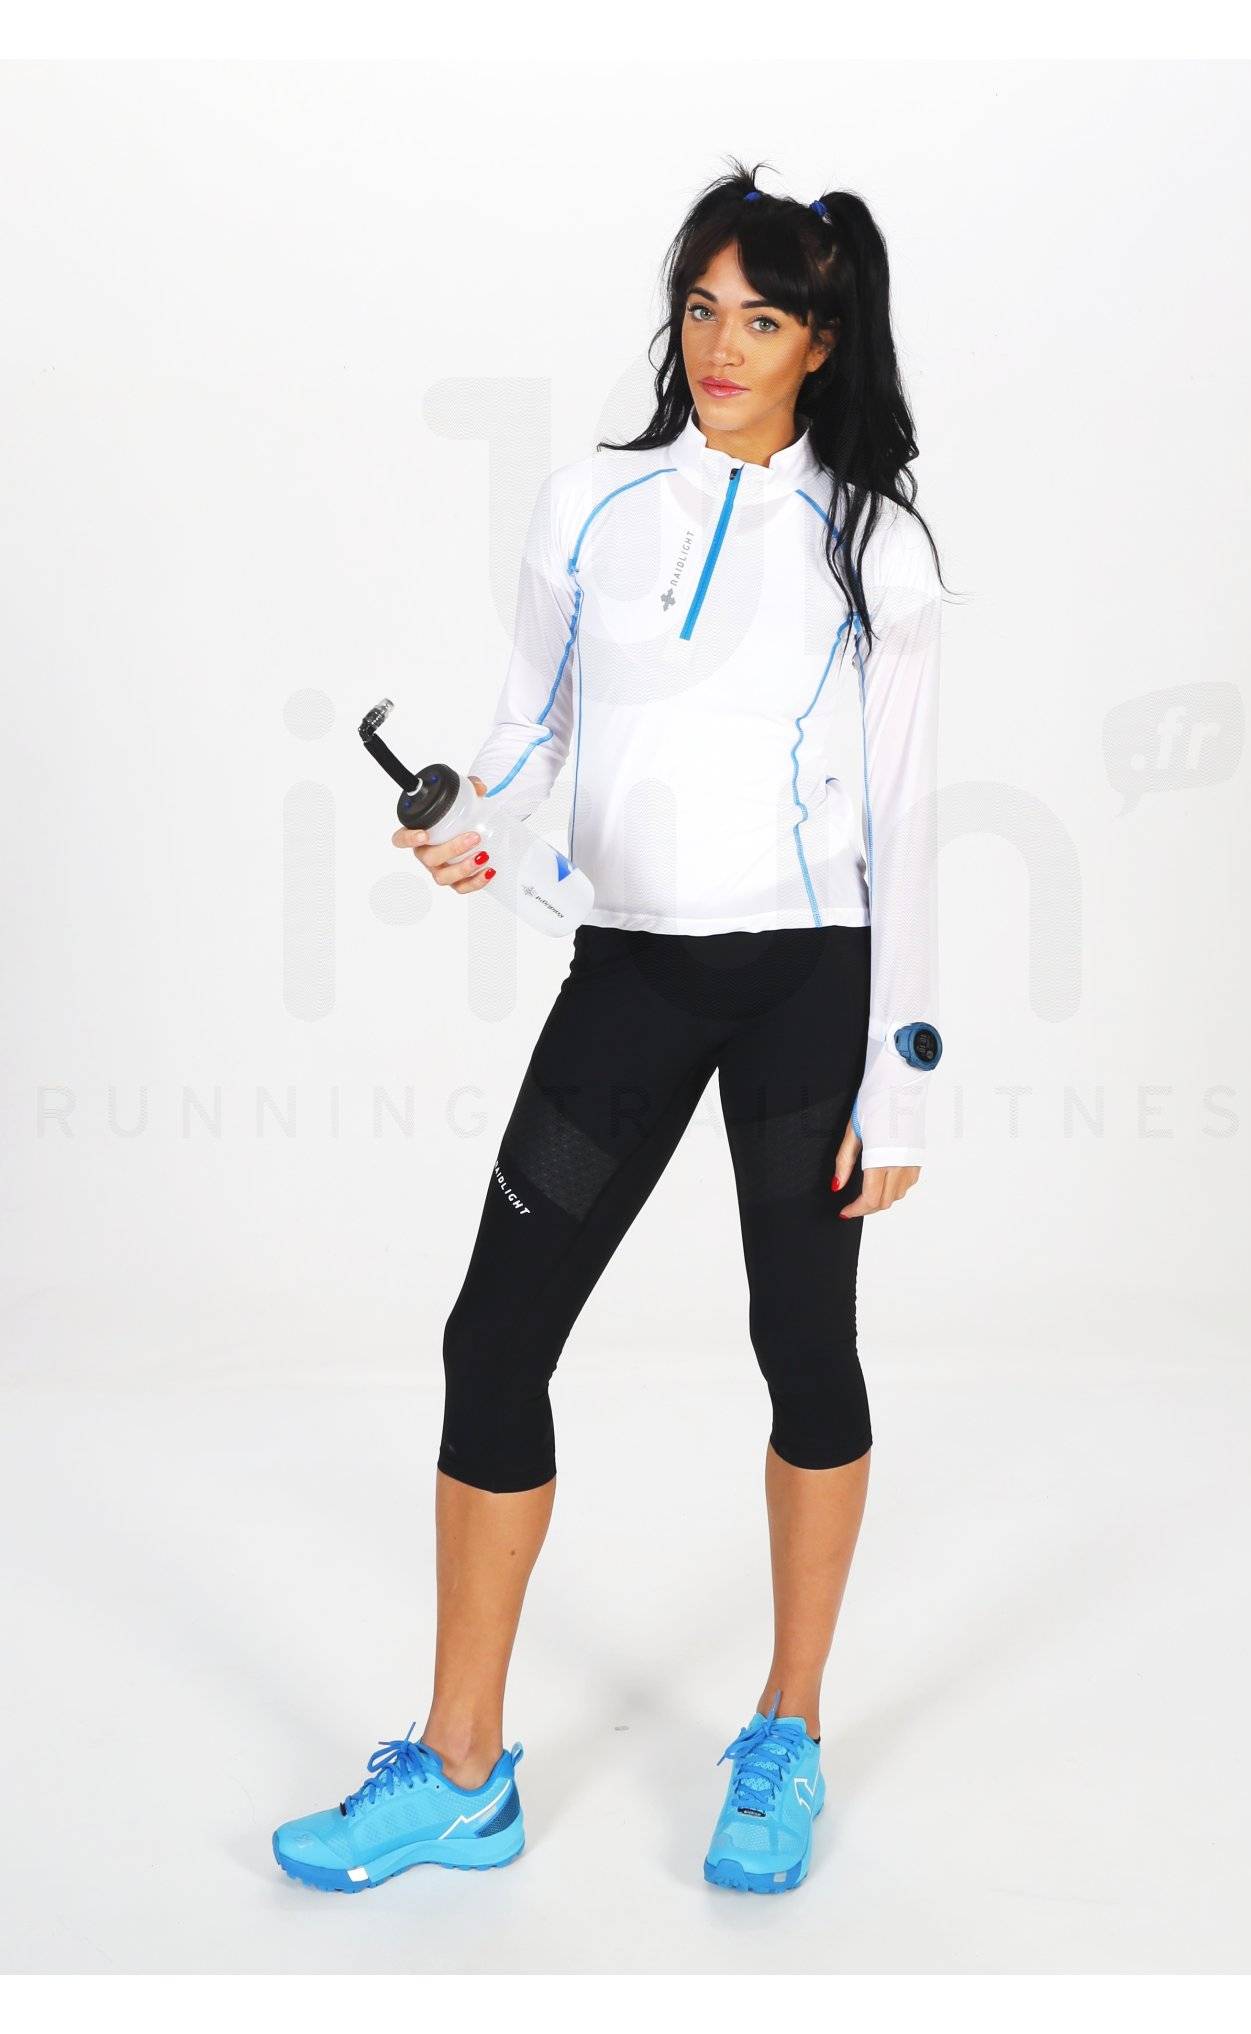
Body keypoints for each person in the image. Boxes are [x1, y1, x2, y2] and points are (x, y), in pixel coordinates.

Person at [272, 156, 949, 1899]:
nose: (721, 346)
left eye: (763, 319)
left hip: (808, 983)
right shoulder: (588, 503)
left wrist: (903, 1073)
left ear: (822, 341)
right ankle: (462, 1770)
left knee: (804, 1347)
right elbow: (525, 736)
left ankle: (787, 1726)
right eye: (702, 309)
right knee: (494, 1340)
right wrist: (468, 825)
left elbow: (906, 817)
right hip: (634, 977)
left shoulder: (876, 544)